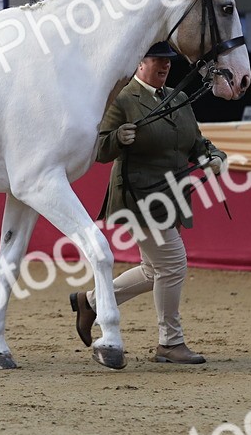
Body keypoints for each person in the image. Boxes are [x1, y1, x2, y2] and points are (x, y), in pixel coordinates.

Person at [70, 41, 227, 364]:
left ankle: (92, 302)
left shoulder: (179, 98)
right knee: (173, 264)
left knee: (153, 271)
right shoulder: (123, 99)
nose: (165, 65)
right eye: (157, 59)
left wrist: (213, 156)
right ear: (139, 63)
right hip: (138, 195)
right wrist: (117, 138)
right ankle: (170, 341)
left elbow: (195, 142)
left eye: (168, 60)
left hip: (171, 196)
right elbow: (99, 149)